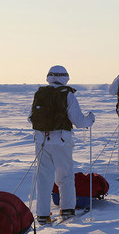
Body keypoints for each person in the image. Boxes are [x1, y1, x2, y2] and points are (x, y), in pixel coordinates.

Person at [29, 65, 95, 224]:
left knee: (44, 178)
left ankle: (43, 215)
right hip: (62, 140)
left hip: (41, 141)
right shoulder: (68, 95)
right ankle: (67, 210)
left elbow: (31, 118)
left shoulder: (40, 93)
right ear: (65, 77)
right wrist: (90, 119)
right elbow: (79, 121)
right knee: (65, 176)